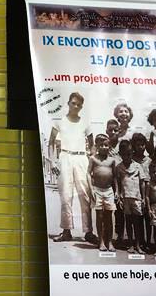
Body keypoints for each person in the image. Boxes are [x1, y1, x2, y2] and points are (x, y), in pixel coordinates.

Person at [49, 92, 96, 244]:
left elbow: (92, 144)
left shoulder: (85, 123)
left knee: (85, 194)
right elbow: (51, 142)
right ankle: (66, 231)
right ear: (68, 103)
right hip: (65, 157)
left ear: (81, 107)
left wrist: (91, 160)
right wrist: (53, 161)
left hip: (81, 158)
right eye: (73, 103)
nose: (75, 106)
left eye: (79, 104)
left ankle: (88, 231)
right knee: (66, 195)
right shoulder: (59, 121)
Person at [115, 140, 145, 254]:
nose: (127, 156)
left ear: (132, 153)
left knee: (137, 222)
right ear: (120, 154)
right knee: (128, 222)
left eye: (129, 154)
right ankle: (131, 244)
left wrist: (143, 197)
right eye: (124, 154)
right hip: (125, 198)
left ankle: (138, 245)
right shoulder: (119, 167)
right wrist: (118, 194)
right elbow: (117, 181)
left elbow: (142, 182)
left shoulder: (137, 166)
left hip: (136, 197)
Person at [88, 133, 116, 252]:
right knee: (99, 216)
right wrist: (91, 189)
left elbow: (115, 177)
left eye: (106, 145)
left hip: (109, 190)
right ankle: (101, 241)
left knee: (109, 216)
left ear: (109, 146)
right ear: (97, 146)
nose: (104, 147)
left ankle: (109, 241)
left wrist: (117, 191)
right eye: (101, 145)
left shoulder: (112, 160)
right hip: (97, 190)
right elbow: (88, 173)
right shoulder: (93, 159)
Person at [131, 133, 152, 251]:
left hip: (148, 191)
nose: (141, 147)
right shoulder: (132, 160)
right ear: (134, 146)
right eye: (138, 145)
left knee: (148, 218)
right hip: (135, 191)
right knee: (138, 218)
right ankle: (140, 241)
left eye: (143, 145)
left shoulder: (149, 160)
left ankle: (148, 242)